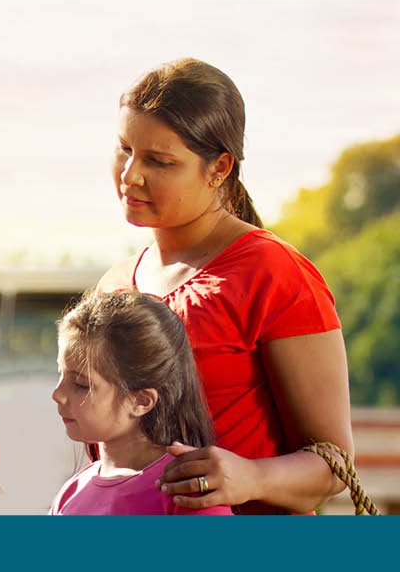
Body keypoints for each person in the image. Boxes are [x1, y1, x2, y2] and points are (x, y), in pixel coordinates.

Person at [95, 57, 353, 514]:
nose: (130, 174)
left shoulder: (276, 274)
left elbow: (334, 463)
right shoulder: (114, 285)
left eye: (160, 161)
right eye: (124, 148)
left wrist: (251, 476)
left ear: (218, 168)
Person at [49, 290, 232, 515]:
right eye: (60, 374)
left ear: (141, 401)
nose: (57, 394)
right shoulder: (71, 492)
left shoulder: (187, 490)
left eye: (80, 384)